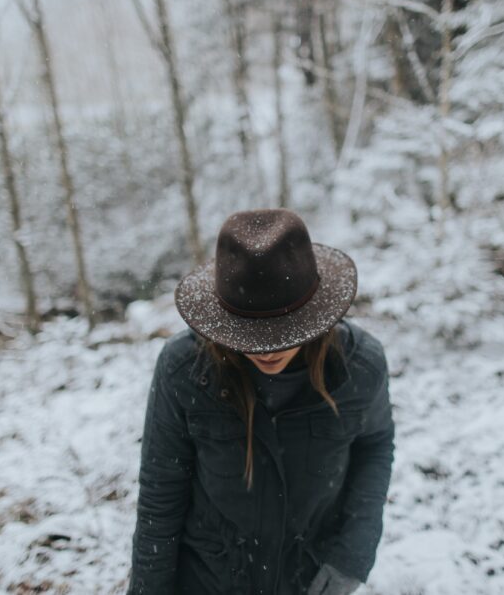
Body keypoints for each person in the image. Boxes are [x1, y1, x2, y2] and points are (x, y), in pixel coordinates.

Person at [129, 208, 395, 594]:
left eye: (284, 331)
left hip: (307, 578)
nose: (268, 349)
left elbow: (374, 445)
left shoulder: (361, 365)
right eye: (250, 331)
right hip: (207, 579)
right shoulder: (183, 368)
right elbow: (160, 491)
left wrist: (353, 553)